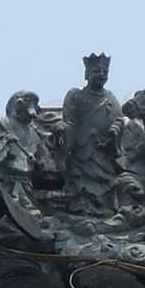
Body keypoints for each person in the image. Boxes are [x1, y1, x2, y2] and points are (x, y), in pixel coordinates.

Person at [61, 53, 124, 211]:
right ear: (87, 74)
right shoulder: (76, 95)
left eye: (105, 71)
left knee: (106, 183)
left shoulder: (110, 98)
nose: (101, 74)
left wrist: (116, 129)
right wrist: (63, 130)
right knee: (80, 184)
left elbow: (120, 119)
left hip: (103, 151)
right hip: (82, 150)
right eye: (97, 71)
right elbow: (69, 121)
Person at [0, 90, 51, 220]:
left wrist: (35, 161)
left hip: (24, 185)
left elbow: (42, 163)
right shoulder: (3, 124)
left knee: (31, 215)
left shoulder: (33, 132)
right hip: (4, 181)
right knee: (3, 212)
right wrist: (5, 144)